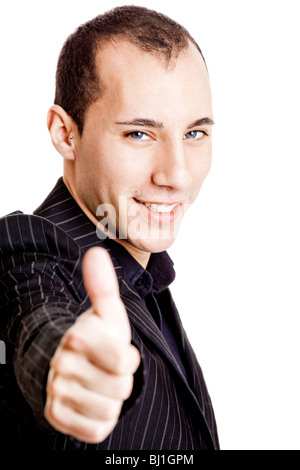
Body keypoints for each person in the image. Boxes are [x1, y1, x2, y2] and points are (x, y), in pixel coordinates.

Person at [0, 5, 219, 450]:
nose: (177, 174)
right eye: (140, 134)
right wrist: (65, 364)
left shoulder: (143, 274)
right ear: (66, 134)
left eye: (194, 133)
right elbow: (35, 317)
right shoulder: (30, 251)